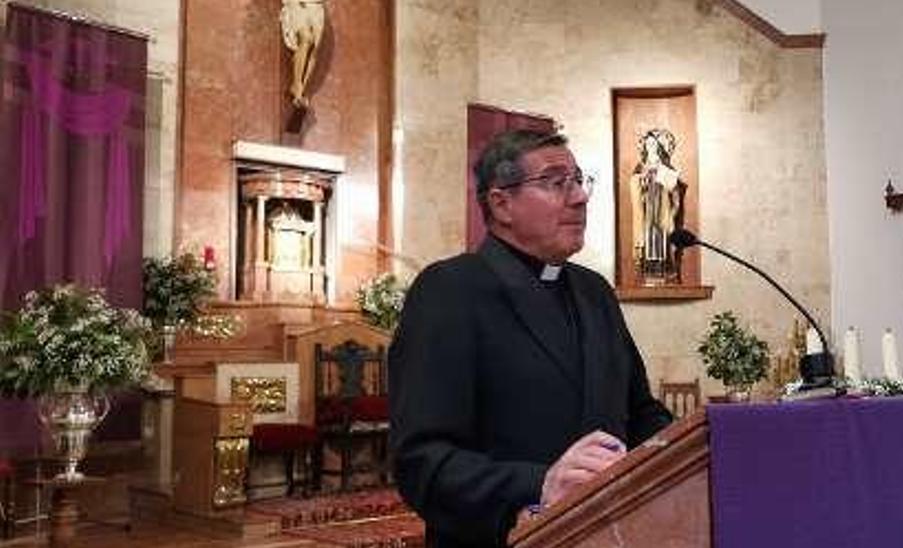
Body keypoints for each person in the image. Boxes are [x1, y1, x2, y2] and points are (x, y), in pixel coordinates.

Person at [389, 129, 673, 548]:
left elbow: (640, 414)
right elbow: (422, 461)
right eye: (557, 182)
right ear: (501, 202)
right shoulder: (450, 290)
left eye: (578, 180)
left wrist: (703, 443)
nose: (579, 197)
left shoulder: (595, 292)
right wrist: (539, 484)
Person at [628, 129, 686, 282]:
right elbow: (634, 184)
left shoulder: (667, 167)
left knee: (663, 238)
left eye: (653, 144)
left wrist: (669, 182)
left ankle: (666, 271)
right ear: (645, 147)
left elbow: (674, 192)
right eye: (648, 144)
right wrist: (642, 180)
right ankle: (648, 272)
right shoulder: (641, 167)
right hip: (647, 210)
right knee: (648, 237)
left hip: (662, 209)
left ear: (659, 146)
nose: (651, 147)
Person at [280, 0, 325, 108]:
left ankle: (299, 92)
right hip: (297, 4)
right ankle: (297, 85)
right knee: (306, 37)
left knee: (315, 48)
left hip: (316, 6)